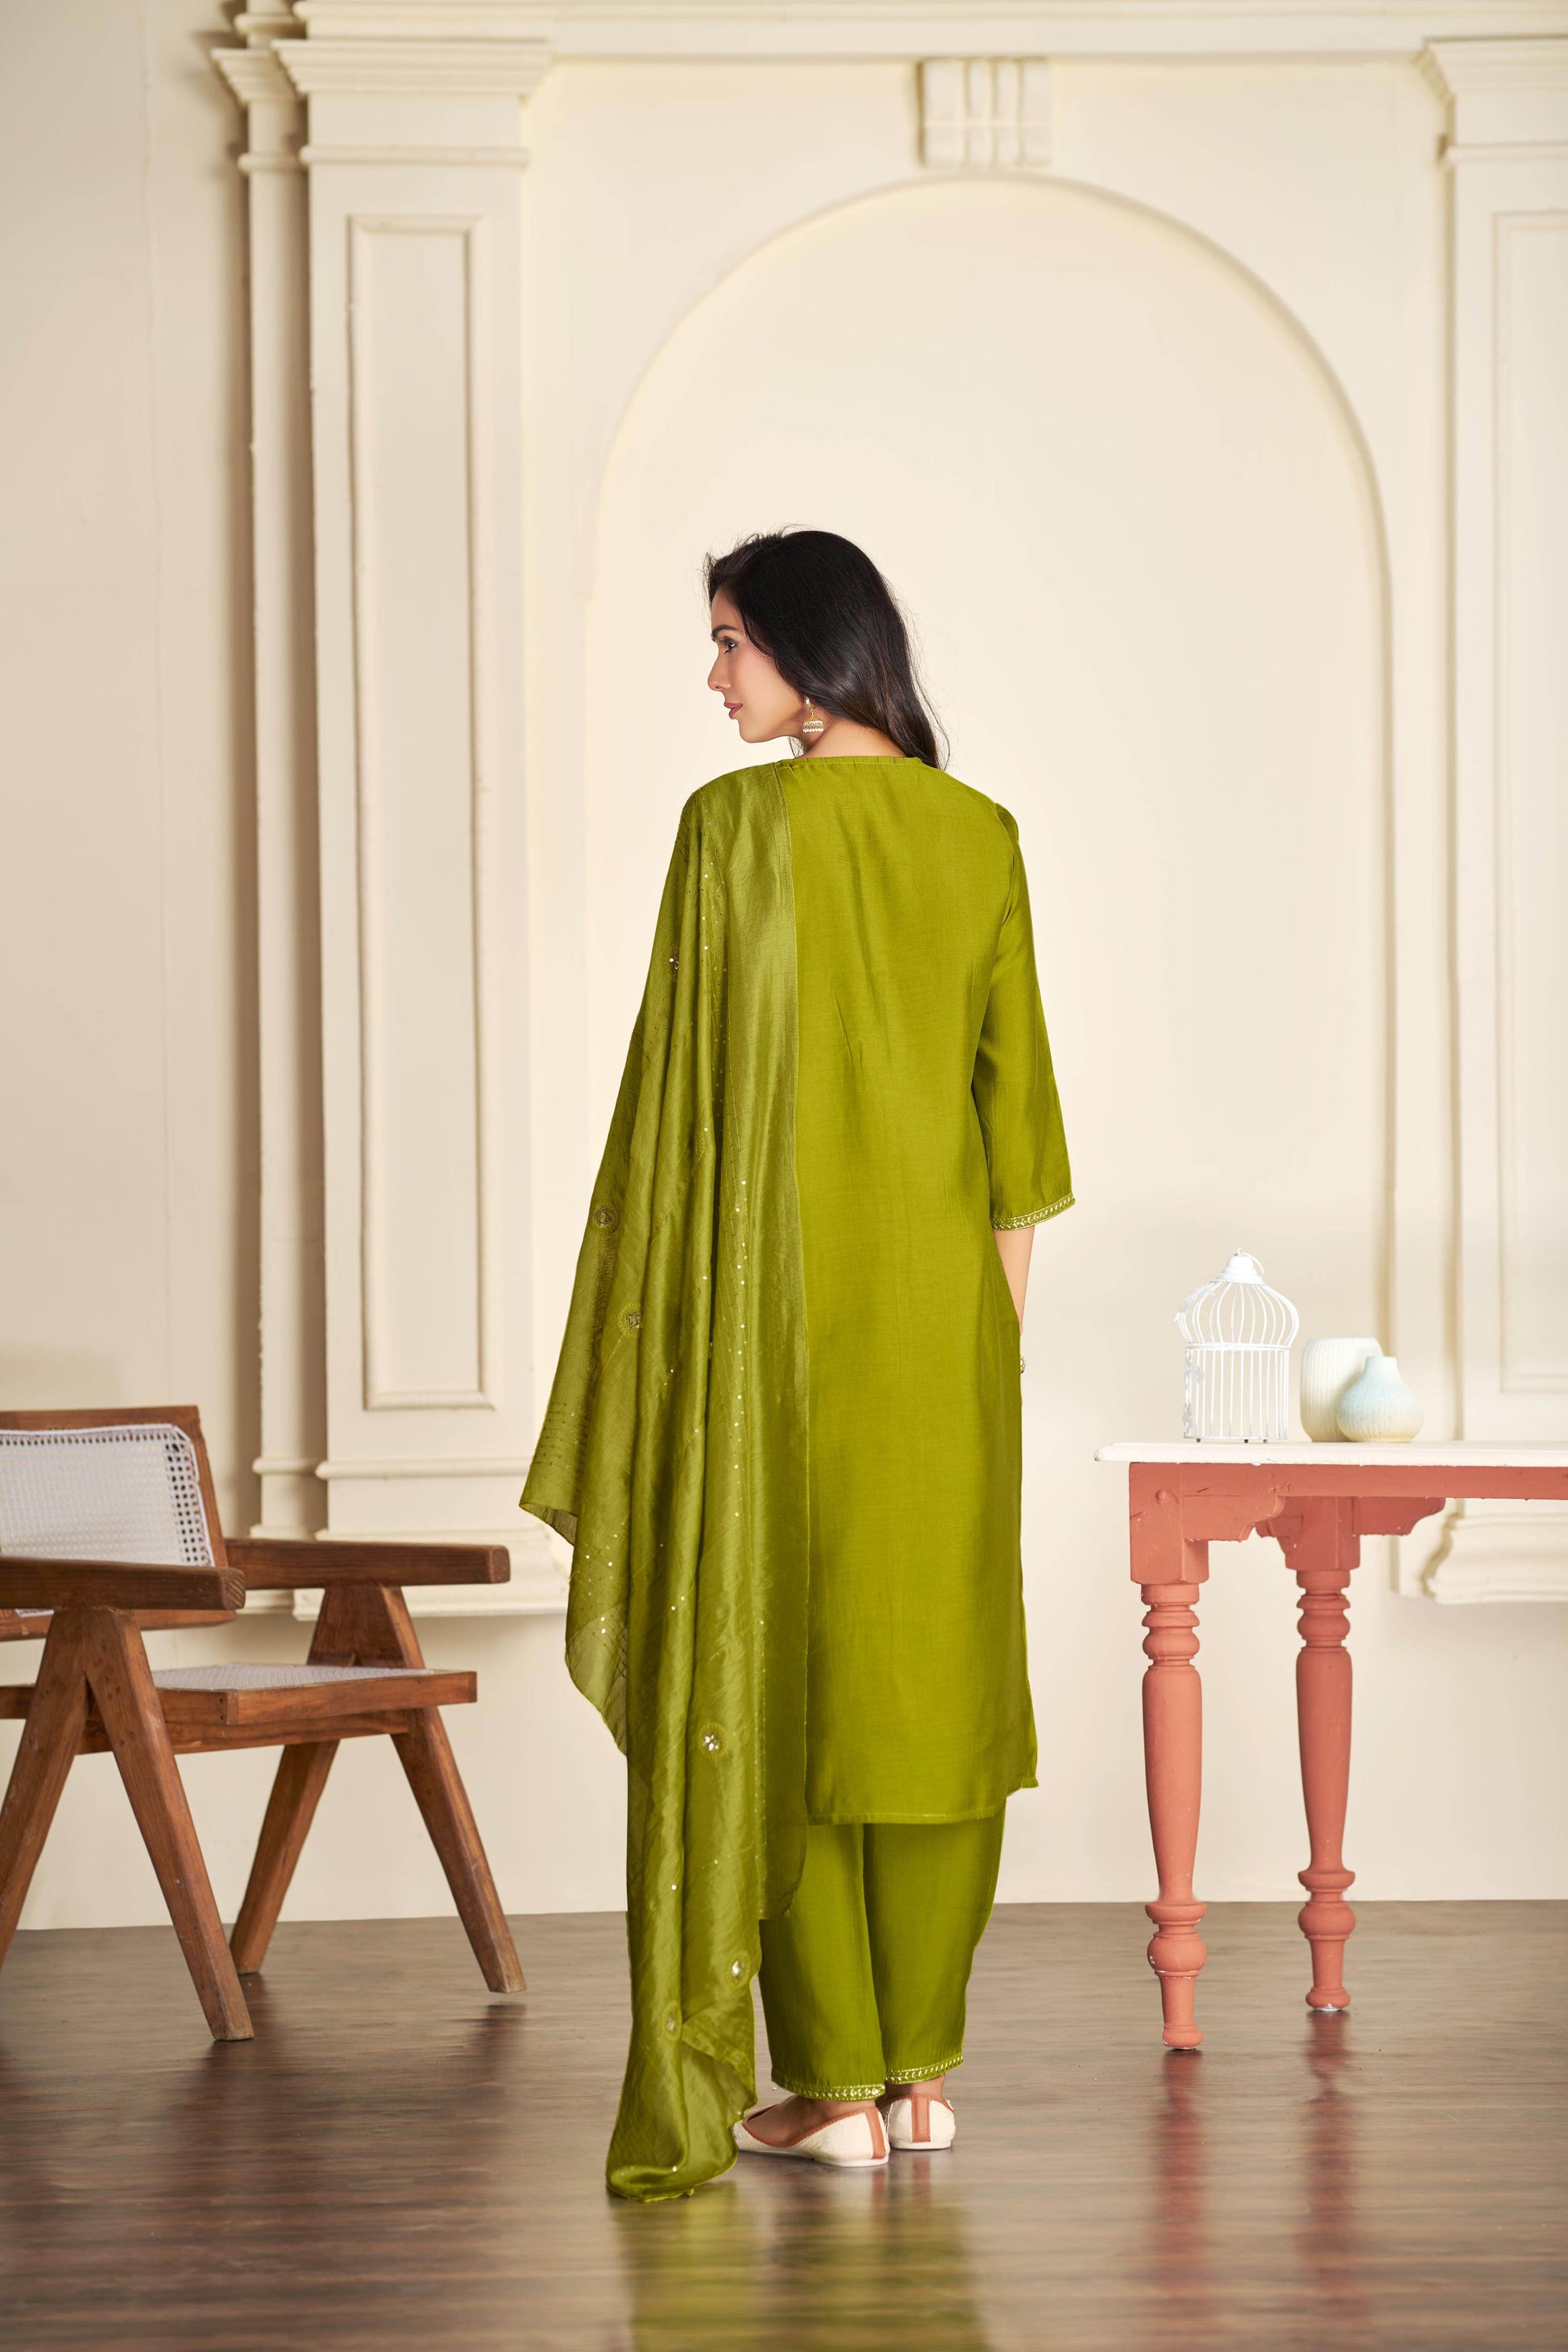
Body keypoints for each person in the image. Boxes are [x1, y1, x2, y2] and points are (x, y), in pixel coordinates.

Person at [521, 529, 1071, 2201]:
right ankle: (922, 2078)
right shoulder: (980, 836)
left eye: (730, 642)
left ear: (813, 653)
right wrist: (982, 1361)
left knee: (787, 1683)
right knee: (936, 1692)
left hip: (775, 1338)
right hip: (951, 1344)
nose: (714, 678)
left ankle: (827, 2088)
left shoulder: (732, 832)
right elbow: (1019, 1153)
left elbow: (673, 1120)